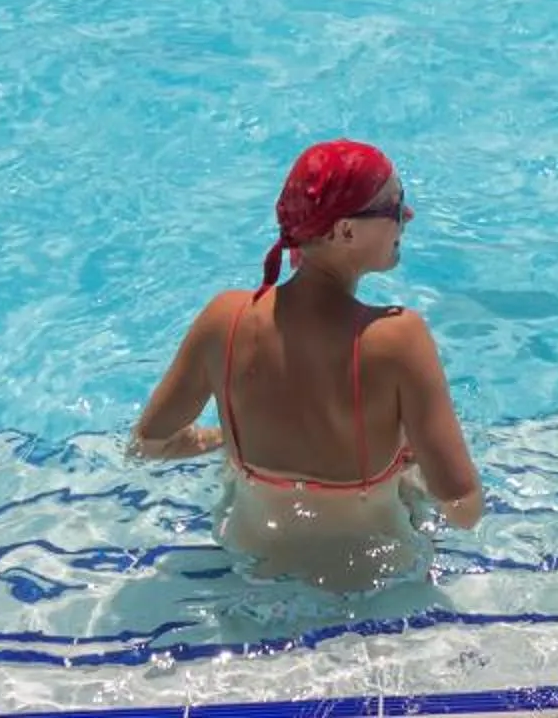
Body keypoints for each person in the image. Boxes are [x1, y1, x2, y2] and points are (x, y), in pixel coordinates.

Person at [130, 140, 481, 590]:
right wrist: (406, 466)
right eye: (395, 205)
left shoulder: (226, 320)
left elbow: (149, 445)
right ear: (346, 232)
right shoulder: (397, 339)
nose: (407, 216)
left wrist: (225, 441)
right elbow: (463, 507)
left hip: (249, 562)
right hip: (371, 578)